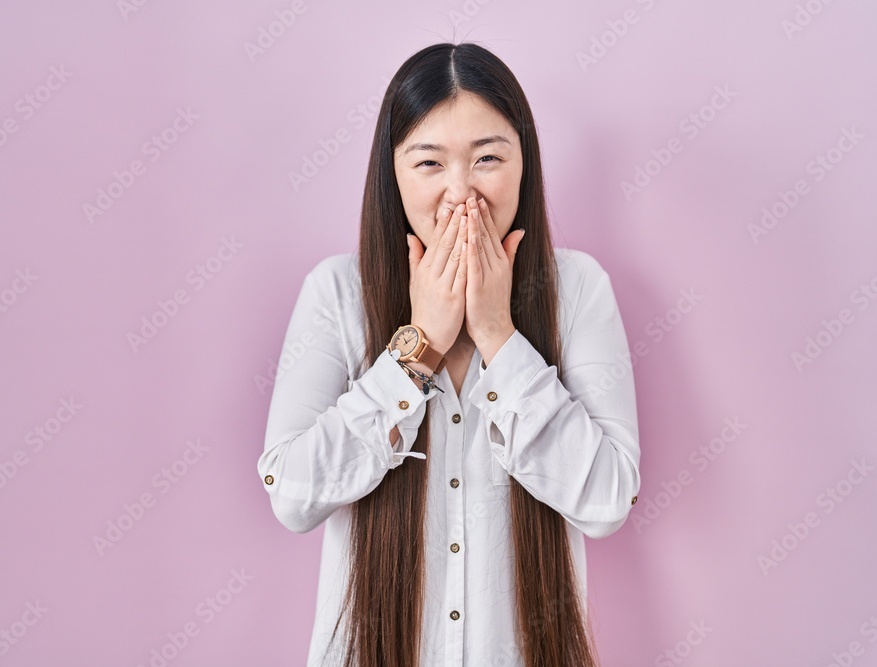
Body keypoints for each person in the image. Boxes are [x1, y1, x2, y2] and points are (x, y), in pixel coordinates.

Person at [258, 41, 641, 667]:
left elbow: (607, 500)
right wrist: (420, 346)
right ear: (394, 174)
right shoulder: (337, 292)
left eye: (487, 157)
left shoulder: (577, 290)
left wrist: (499, 334)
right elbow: (292, 494)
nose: (462, 192)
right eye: (429, 163)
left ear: (525, 165)